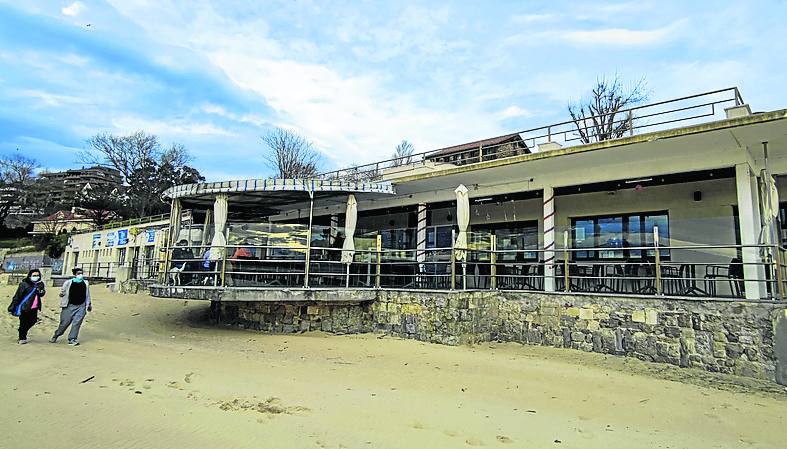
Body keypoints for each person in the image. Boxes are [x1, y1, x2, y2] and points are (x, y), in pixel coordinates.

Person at [50, 268, 92, 346]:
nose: (80, 275)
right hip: (69, 306)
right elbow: (63, 291)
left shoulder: (86, 283)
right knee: (64, 323)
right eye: (79, 273)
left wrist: (89, 304)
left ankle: (72, 339)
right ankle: (56, 334)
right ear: (75, 274)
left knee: (77, 323)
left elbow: (87, 294)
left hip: (81, 306)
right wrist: (62, 294)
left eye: (81, 273)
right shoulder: (68, 282)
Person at [7, 269, 46, 344]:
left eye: (37, 275)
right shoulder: (24, 284)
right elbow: (18, 296)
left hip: (35, 306)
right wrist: (12, 307)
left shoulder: (40, 284)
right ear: (30, 276)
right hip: (25, 306)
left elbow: (42, 294)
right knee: (23, 322)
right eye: (34, 275)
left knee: (33, 320)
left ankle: (22, 331)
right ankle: (22, 338)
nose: (36, 277)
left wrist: (41, 291)